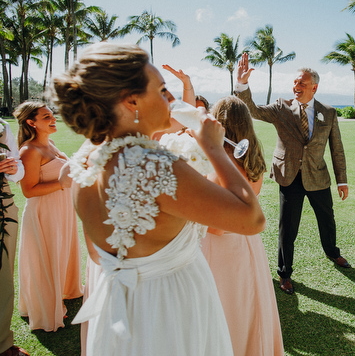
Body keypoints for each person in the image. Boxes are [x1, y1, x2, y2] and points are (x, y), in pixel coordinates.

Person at [52, 43, 265, 355]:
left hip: (119, 309)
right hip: (172, 309)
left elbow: (98, 257)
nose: (171, 99)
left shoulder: (85, 167)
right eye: (163, 89)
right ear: (132, 101)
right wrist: (215, 149)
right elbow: (252, 219)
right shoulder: (153, 165)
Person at [234, 52, 349, 295]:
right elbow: (252, 110)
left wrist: (342, 180)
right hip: (289, 177)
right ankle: (284, 274)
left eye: (302, 83)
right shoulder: (280, 107)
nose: (296, 86)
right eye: (295, 82)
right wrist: (242, 84)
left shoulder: (328, 112)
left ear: (314, 87)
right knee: (288, 228)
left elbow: (336, 148)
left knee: (327, 220)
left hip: (317, 177)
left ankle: (332, 252)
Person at [201, 96, 284, 356]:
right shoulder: (253, 160)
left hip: (220, 249)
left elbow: (216, 227)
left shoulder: (219, 165)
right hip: (248, 244)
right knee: (249, 305)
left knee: (224, 308)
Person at [14, 101, 83, 332]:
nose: (52, 119)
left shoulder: (51, 143)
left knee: (62, 249)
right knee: (46, 255)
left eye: (52, 115)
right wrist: (62, 183)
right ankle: (44, 307)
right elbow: (28, 191)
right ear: (31, 123)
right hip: (44, 212)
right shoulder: (29, 151)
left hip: (62, 208)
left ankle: (66, 289)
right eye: (46, 117)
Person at [0, 119, 27, 356]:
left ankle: (3, 343)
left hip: (3, 208)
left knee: (3, 276)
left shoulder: (2, 127)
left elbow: (19, 171)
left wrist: (12, 169)